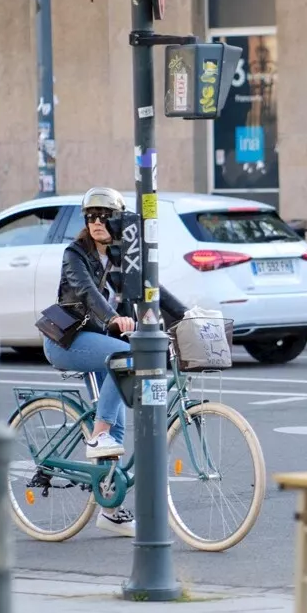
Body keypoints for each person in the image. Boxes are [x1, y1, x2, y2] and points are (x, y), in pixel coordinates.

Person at [41, 187, 188, 537]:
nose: (95, 222)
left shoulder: (124, 257)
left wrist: (187, 314)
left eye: (103, 216)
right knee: (124, 360)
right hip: (68, 340)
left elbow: (153, 289)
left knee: (119, 425)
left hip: (102, 344)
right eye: (90, 216)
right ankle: (97, 436)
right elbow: (88, 293)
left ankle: (110, 510)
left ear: (118, 220)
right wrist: (113, 318)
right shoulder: (74, 254)